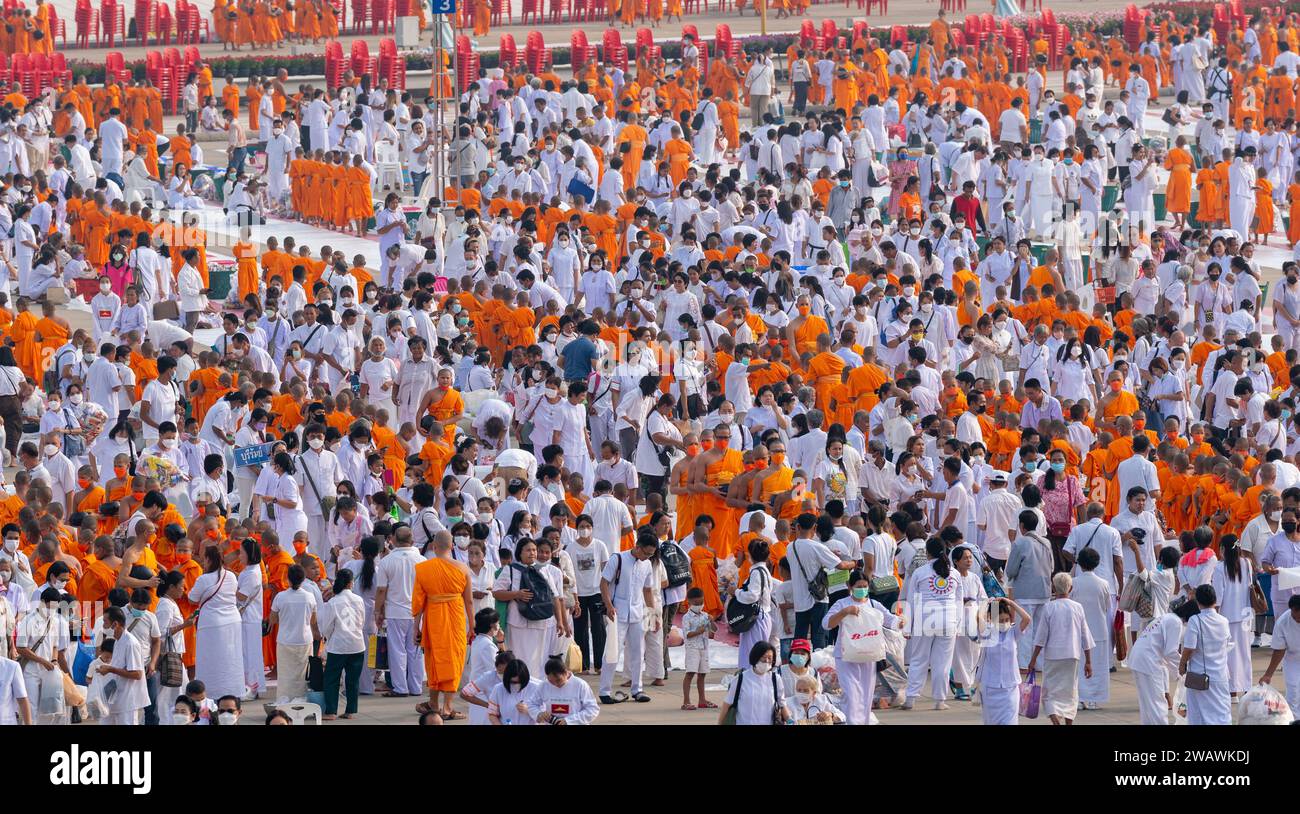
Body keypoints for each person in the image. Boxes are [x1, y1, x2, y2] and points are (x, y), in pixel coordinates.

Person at [823, 569, 900, 724]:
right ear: (850, 586)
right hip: (846, 655)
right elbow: (827, 624)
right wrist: (844, 612)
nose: (862, 589)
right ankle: (851, 721)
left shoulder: (873, 603)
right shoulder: (842, 604)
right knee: (851, 694)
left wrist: (901, 622)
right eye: (858, 586)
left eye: (865, 586)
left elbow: (889, 619)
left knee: (866, 695)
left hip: (868, 655)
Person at [1026, 573, 1095, 725]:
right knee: (1070, 691)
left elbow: (1041, 638)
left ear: (1053, 588)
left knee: (1050, 692)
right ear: (1070, 588)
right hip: (1072, 655)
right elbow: (1085, 636)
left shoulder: (1049, 607)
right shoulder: (1077, 608)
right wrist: (1088, 661)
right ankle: (1068, 722)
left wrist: (1032, 660)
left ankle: (1054, 719)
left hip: (1053, 656)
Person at [186, 545, 244, 700]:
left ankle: (212, 693)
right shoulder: (231, 576)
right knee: (231, 658)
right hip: (232, 621)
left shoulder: (203, 579)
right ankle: (233, 692)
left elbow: (192, 598)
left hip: (212, 624)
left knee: (210, 660)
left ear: (208, 559)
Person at [1178, 583, 1233, 725]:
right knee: (1222, 715)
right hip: (1220, 675)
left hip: (1199, 677)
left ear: (1198, 602)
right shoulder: (1224, 621)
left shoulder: (1195, 620)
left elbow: (1189, 648)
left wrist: (1182, 664)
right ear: (1215, 600)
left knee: (1198, 716)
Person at [318, 568, 366, 720]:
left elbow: (327, 627)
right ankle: (350, 710)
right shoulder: (359, 600)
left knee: (331, 679)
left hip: (338, 646)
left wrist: (328, 638)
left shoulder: (333, 601)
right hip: (357, 644)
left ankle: (331, 711)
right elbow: (361, 621)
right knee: (352, 680)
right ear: (351, 583)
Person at [976, 598, 1033, 725]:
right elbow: (979, 618)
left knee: (1010, 721)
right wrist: (985, 604)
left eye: (1007, 620)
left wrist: (1010, 603)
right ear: (992, 619)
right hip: (990, 688)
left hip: (1010, 688)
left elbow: (1027, 619)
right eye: (1001, 621)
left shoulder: (1013, 632)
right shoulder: (987, 633)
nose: (1004, 623)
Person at [717, 641, 789, 725]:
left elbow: (782, 704)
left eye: (770, 658)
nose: (766, 661)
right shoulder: (740, 679)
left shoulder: (776, 679)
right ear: (755, 657)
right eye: (763, 657)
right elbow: (727, 705)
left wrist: (790, 719)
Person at [1260, 594, 1300, 717]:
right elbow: (1279, 650)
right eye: (1295, 616)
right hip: (1292, 659)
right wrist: (1268, 674)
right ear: (1291, 610)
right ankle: (1294, 720)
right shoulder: (1282, 622)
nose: (1298, 619)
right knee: (1293, 693)